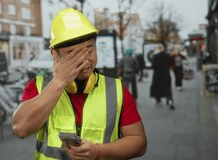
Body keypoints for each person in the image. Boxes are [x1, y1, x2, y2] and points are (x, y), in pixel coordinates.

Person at [12, 8, 147, 160]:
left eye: (89, 48)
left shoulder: (116, 90)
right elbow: (20, 129)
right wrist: (59, 82)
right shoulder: (37, 87)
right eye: (72, 53)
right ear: (54, 55)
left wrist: (98, 151)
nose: (83, 59)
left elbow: (139, 143)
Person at [150, 44, 174, 110]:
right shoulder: (168, 56)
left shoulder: (155, 56)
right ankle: (169, 100)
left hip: (157, 75)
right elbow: (171, 64)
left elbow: (152, 66)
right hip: (166, 74)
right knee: (168, 88)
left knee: (157, 88)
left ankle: (158, 101)